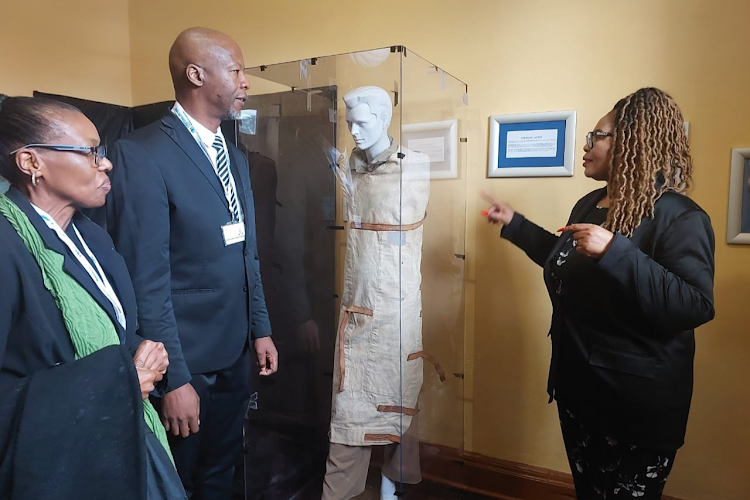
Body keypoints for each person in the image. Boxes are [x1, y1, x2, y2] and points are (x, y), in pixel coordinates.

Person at [483, 87, 715, 500]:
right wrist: (515, 224)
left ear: (631, 143)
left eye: (597, 135)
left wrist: (616, 251)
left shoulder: (681, 217)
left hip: (634, 407)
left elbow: (693, 305)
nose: (586, 145)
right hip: (580, 392)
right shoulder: (590, 204)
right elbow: (566, 262)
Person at [106, 27, 278, 500]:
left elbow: (248, 254)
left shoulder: (236, 157)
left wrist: (259, 328)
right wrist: (175, 379)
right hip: (187, 364)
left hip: (235, 354)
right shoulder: (141, 154)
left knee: (221, 473)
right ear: (196, 73)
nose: (247, 82)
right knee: (176, 480)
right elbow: (146, 278)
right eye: (237, 70)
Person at [0, 96, 185, 499]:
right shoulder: (6, 244)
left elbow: (113, 334)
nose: (106, 163)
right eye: (89, 152)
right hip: (60, 466)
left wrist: (142, 353)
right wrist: (114, 384)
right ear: (32, 162)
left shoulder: (92, 236)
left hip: (115, 439)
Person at [322, 86, 438, 500]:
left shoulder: (415, 166)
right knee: (350, 411)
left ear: (385, 119)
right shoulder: (347, 165)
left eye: (362, 122)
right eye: (348, 122)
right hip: (358, 306)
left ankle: (396, 485)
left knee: (399, 398)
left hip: (397, 310)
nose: (353, 130)